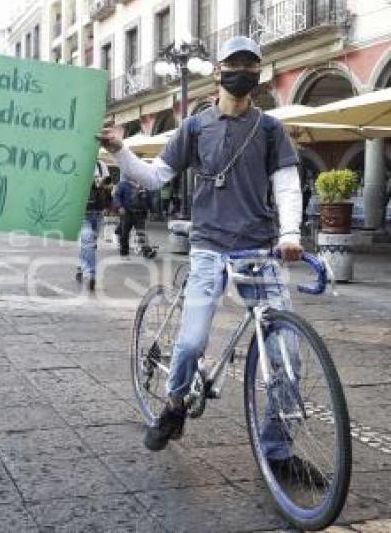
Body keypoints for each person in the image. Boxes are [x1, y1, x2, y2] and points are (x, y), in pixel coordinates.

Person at [97, 37, 310, 476]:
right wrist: (120, 150)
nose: (243, 71)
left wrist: (291, 234)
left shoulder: (270, 129)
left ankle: (278, 452)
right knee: (192, 342)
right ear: (217, 71)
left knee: (288, 354)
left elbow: (287, 184)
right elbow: (155, 178)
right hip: (209, 248)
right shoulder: (195, 128)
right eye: (235, 63)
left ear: (259, 74)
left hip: (259, 250)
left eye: (252, 65)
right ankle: (173, 405)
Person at [76, 160, 111, 291]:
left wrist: (103, 185)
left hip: (98, 211)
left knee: (90, 244)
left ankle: (80, 266)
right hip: (82, 212)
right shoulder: (79, 162)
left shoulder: (101, 165)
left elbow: (108, 187)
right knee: (88, 242)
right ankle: (91, 275)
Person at [114, 178, 152, 257]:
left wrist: (151, 210)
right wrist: (120, 207)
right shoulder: (122, 184)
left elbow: (148, 198)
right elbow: (117, 196)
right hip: (127, 213)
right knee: (125, 233)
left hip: (140, 213)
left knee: (141, 232)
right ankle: (124, 252)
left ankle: (147, 251)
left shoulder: (143, 185)